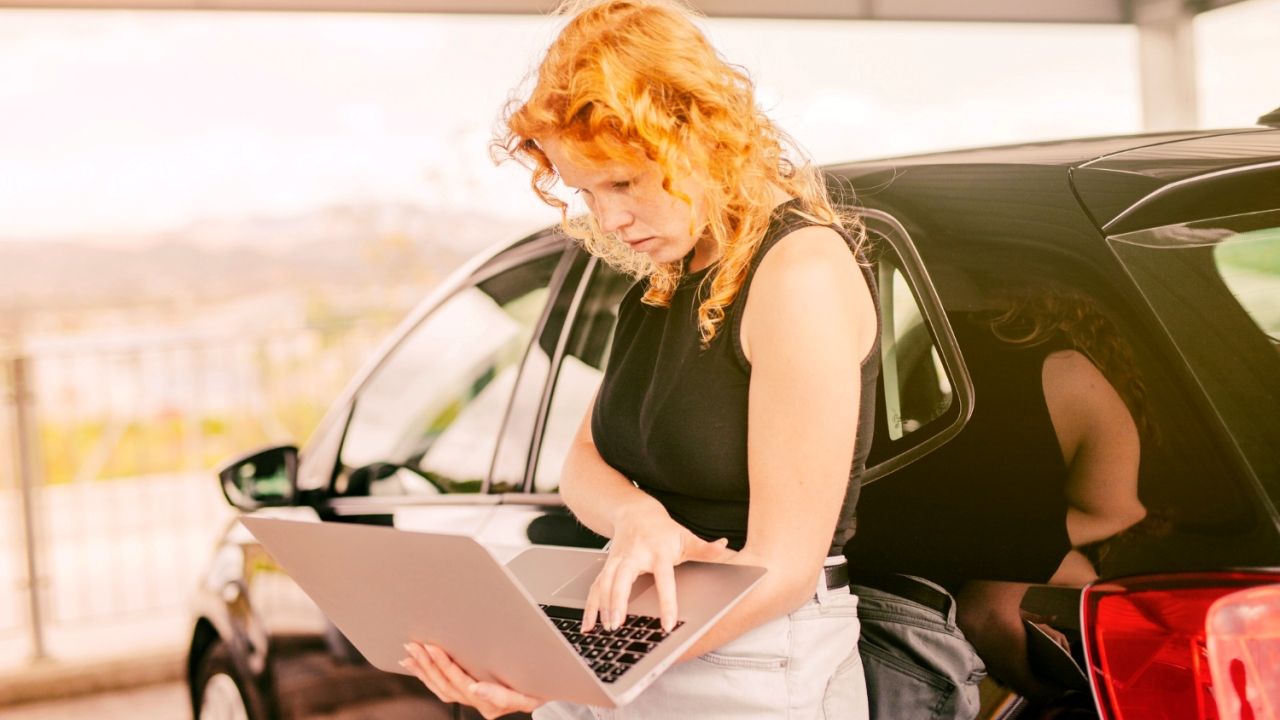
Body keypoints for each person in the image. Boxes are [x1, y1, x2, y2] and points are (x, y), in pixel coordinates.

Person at [400, 0, 881, 718]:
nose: (610, 221)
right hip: (645, 643)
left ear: (703, 135)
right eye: (586, 192)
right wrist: (636, 518)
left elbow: (780, 569)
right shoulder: (667, 279)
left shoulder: (798, 272)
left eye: (623, 182)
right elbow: (583, 462)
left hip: (756, 668)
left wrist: (562, 675)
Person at [844, 287, 1151, 718]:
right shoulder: (1072, 376)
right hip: (910, 642)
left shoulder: (920, 336)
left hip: (828, 597)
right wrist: (1049, 690)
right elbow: (1119, 511)